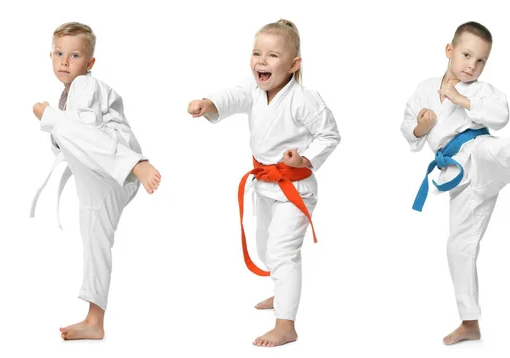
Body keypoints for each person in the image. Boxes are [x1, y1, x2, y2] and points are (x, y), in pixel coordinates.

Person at [401, 21, 510, 345]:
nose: (473, 65)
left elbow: (500, 115)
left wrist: (462, 100)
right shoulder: (425, 88)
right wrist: (420, 127)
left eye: (481, 60)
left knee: (501, 151)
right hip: (457, 179)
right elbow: (407, 126)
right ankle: (469, 322)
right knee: (458, 247)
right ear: (449, 51)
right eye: (467, 55)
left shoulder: (479, 90)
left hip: (477, 151)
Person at [188, 19, 341, 347]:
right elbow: (229, 97)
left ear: (293, 64)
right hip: (264, 184)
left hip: (294, 187)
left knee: (282, 250)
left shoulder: (305, 98)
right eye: (257, 53)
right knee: (265, 247)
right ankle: (282, 290)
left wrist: (304, 159)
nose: (261, 60)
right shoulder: (253, 90)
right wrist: (208, 104)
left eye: (272, 55)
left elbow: (330, 134)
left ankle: (286, 324)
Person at [31, 22, 161, 340]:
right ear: (50, 56)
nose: (64, 61)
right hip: (96, 181)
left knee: (59, 125)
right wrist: (55, 121)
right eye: (59, 54)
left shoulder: (85, 86)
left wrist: (49, 118)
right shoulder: (67, 95)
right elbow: (70, 142)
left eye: (74, 55)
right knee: (95, 244)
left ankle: (137, 165)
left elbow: (81, 131)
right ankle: (94, 320)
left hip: (116, 167)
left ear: (89, 64)